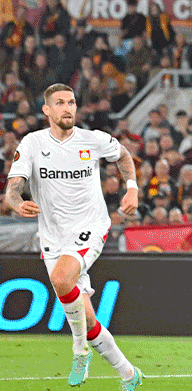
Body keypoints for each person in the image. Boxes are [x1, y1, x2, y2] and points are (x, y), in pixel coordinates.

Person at [5, 84, 144, 390]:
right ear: (47, 110)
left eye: (71, 102)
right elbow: (13, 189)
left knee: (60, 278)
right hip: (52, 235)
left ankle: (79, 350)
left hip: (90, 225)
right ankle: (128, 373)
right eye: (60, 103)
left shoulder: (92, 140)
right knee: (88, 320)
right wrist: (17, 203)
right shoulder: (32, 143)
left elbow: (123, 156)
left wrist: (132, 188)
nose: (67, 108)